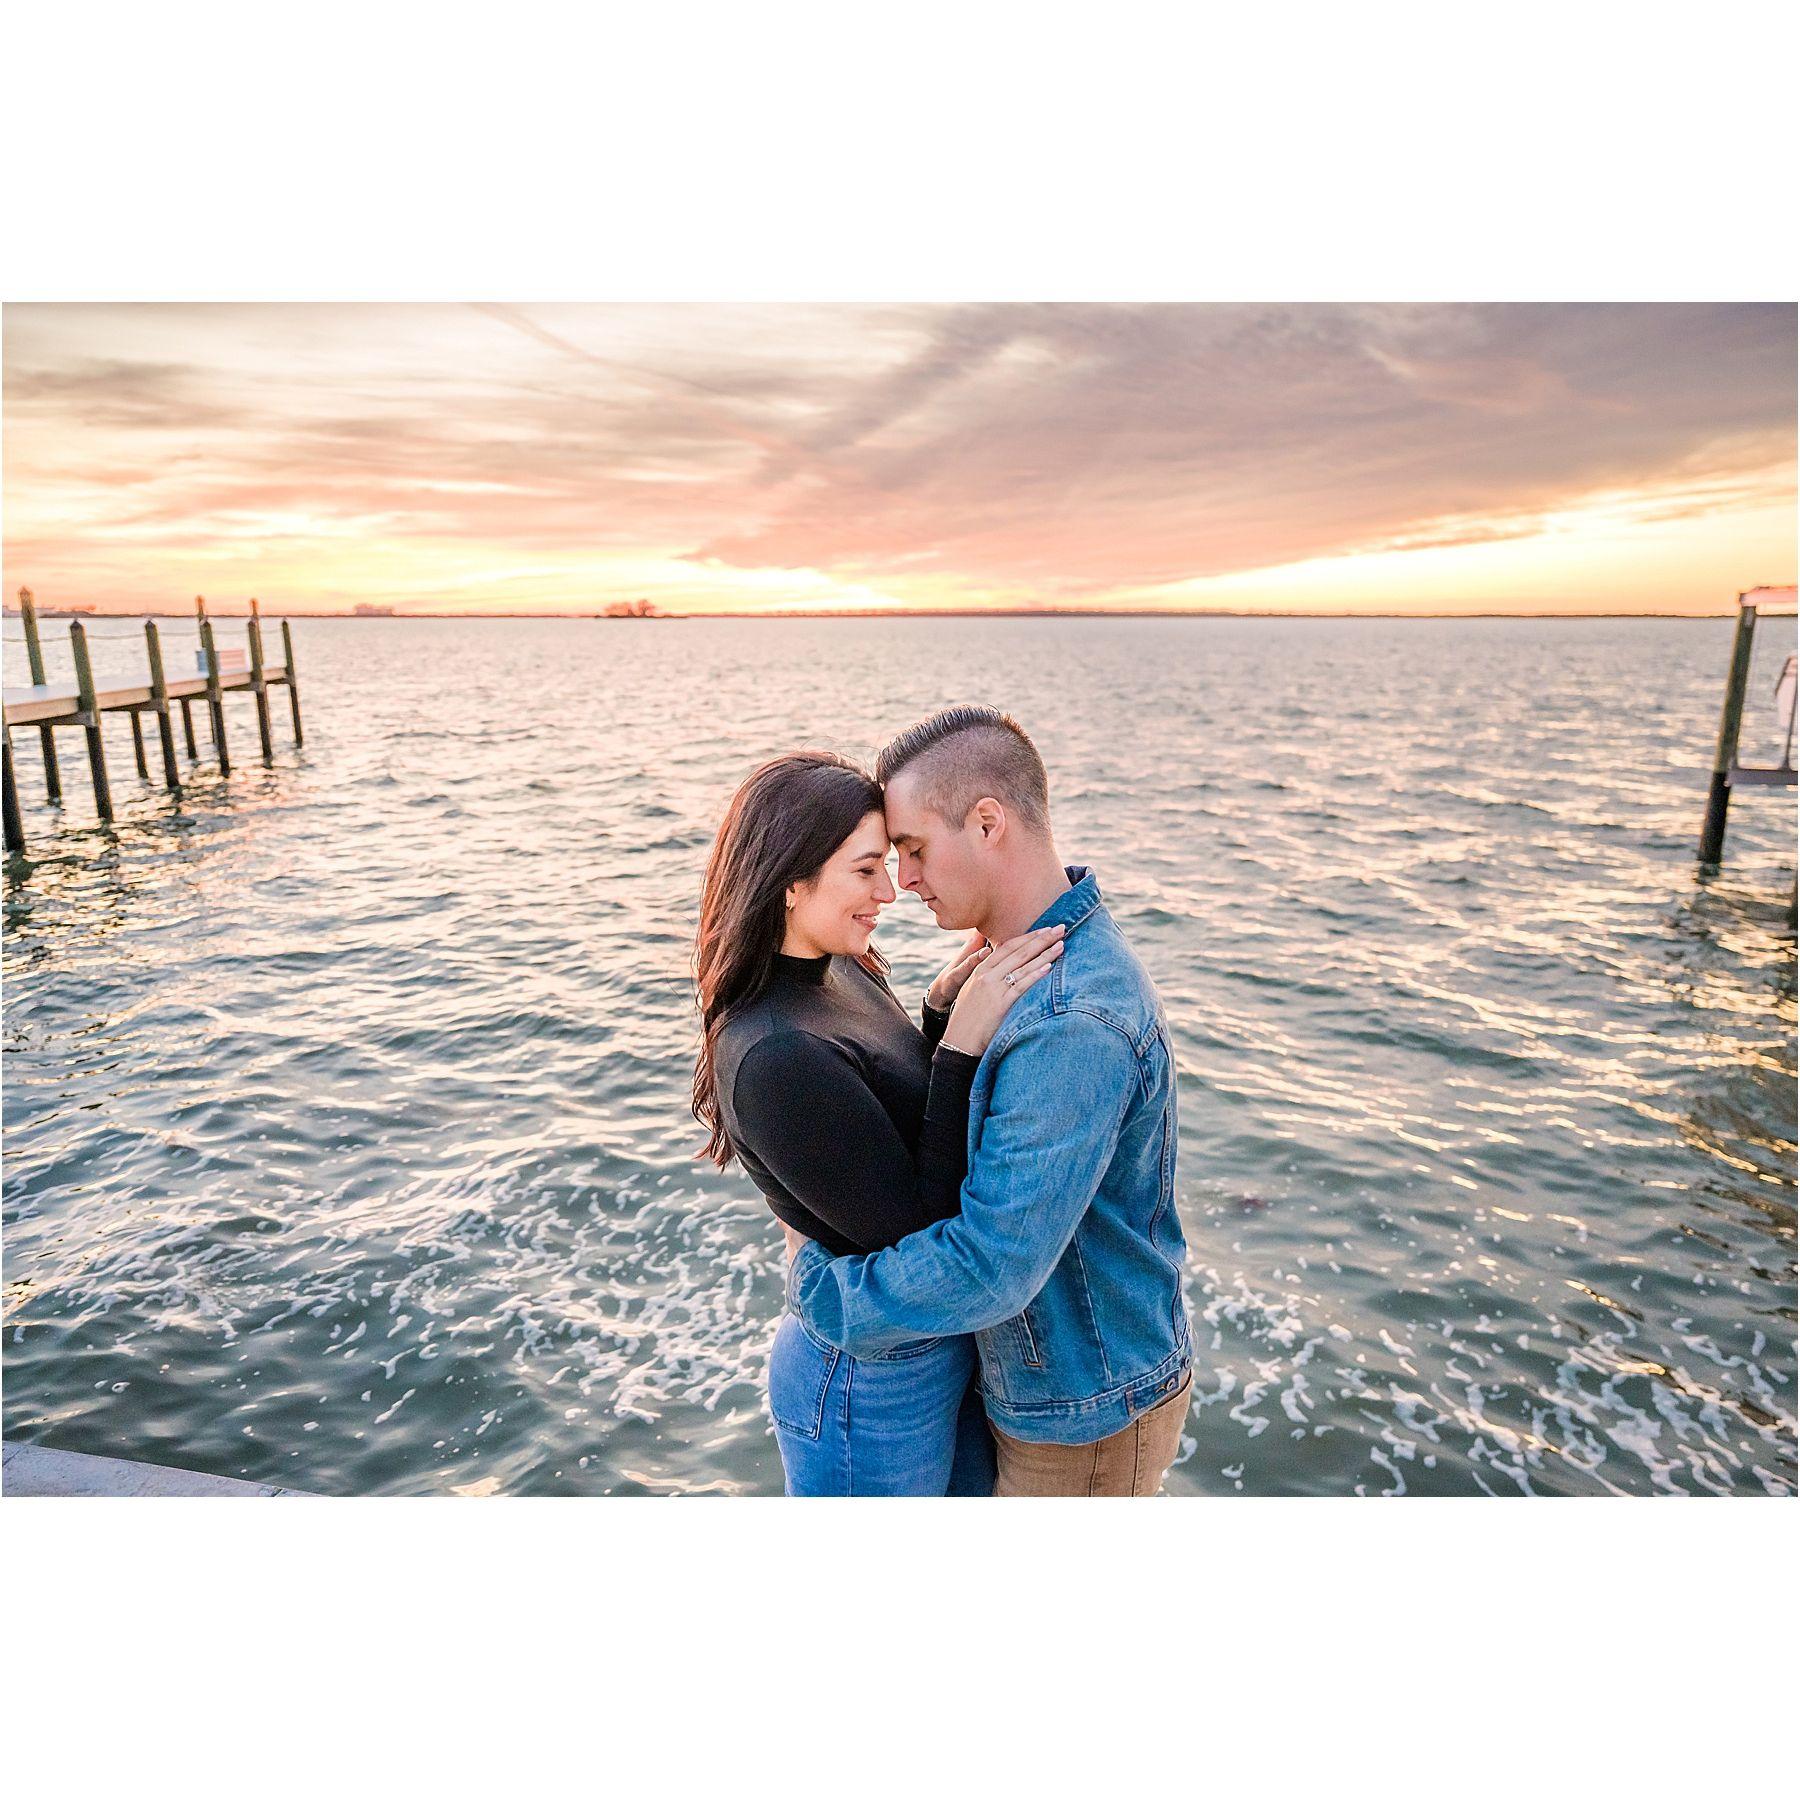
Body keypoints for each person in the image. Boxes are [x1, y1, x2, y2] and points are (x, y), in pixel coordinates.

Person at [782, 706, 1195, 1496]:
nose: (903, 882)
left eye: (914, 849)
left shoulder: (1073, 1019)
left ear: (986, 823)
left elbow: (992, 1265)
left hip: (1082, 1412)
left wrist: (823, 1293)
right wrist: (944, 1026)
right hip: (1050, 1383)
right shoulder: (1020, 967)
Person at [691, 749, 1065, 1495]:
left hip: (929, 1352)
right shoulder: (776, 1054)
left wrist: (938, 1014)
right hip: (864, 1387)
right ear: (791, 881)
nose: (889, 892)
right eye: (865, 871)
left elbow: (891, 1114)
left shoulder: (840, 967)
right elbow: (921, 1225)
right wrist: (961, 1047)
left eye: (888, 865)